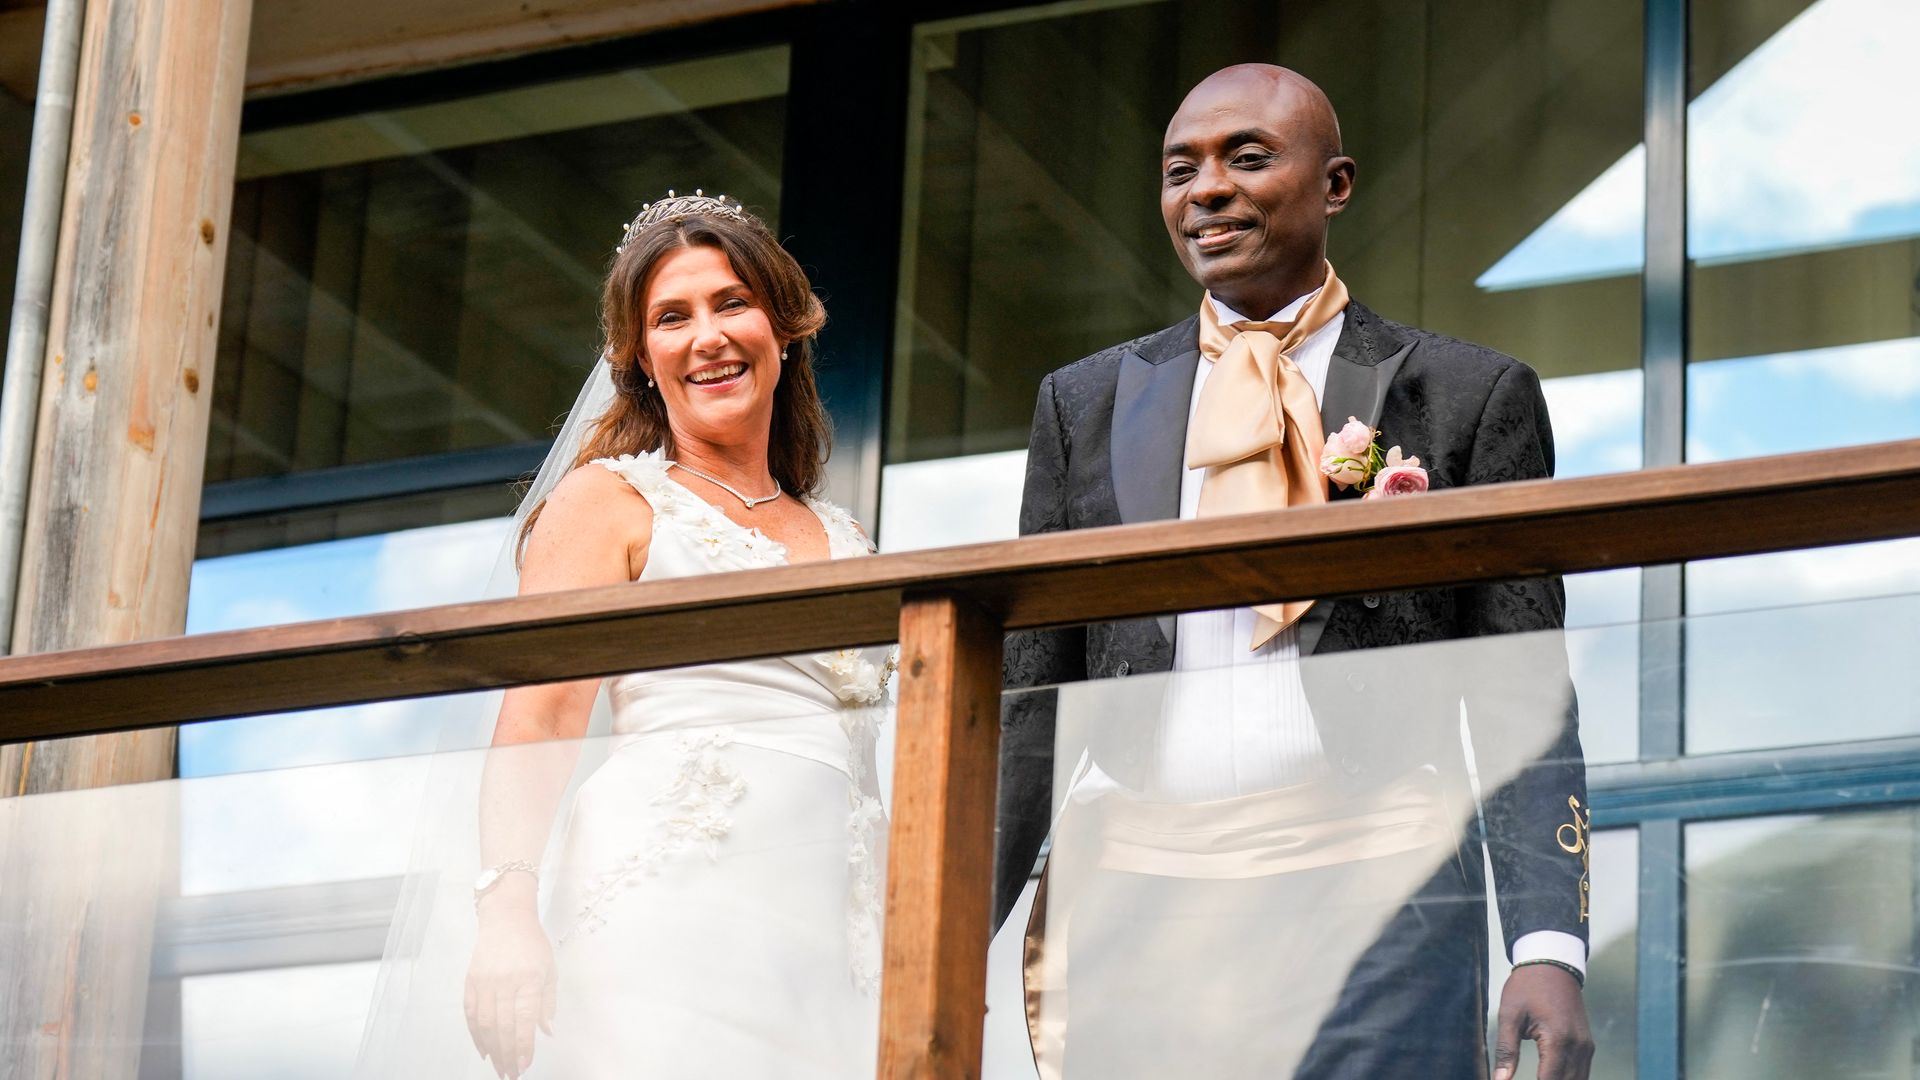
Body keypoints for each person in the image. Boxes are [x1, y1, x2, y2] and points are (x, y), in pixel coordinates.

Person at [998, 66, 1593, 1079]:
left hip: (1383, 894)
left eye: (1249, 158)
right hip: (1140, 901)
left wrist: (1547, 947)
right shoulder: (1081, 404)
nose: (1208, 190)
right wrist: (950, 922)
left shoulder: (1467, 395)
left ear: (1337, 183)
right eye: (1181, 170)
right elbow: (1030, 703)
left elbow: (1520, 691)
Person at [363, 193, 894, 1079]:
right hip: (670, 908)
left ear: (784, 326)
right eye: (672, 318)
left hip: (826, 941)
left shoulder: (845, 538)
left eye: (732, 303)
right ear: (642, 358)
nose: (708, 337)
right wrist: (506, 911)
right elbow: (539, 717)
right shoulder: (611, 500)